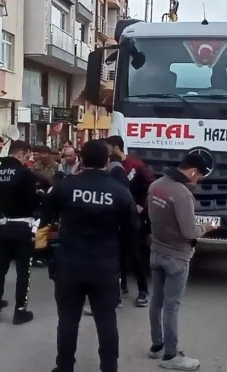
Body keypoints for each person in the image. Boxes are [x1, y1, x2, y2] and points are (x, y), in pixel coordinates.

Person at [43, 139, 139, 372]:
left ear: (81, 160)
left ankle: (64, 366)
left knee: (67, 320)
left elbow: (46, 219)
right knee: (106, 320)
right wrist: (121, 263)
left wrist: (50, 255)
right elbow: (132, 232)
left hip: (69, 262)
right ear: (107, 161)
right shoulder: (119, 191)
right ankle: (109, 367)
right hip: (104, 265)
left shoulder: (65, 186)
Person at [147, 153, 217, 370]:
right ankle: (170, 356)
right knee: (172, 306)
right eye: (199, 177)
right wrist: (206, 227)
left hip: (156, 250)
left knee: (156, 301)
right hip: (177, 256)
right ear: (193, 171)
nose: (198, 181)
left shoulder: (156, 186)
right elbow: (189, 231)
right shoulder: (182, 194)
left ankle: (157, 345)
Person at [0, 140, 40, 325]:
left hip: (2, 226)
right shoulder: (25, 174)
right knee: (23, 271)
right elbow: (34, 203)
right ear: (21, 154)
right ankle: (20, 311)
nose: (28, 159)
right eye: (27, 156)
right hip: (23, 227)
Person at [105, 135, 154, 307]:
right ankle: (121, 287)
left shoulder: (136, 165)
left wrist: (142, 206)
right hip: (114, 217)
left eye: (108, 148)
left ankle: (143, 290)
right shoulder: (109, 167)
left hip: (134, 218)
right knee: (116, 253)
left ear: (115, 147)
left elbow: (152, 187)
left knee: (134, 254)